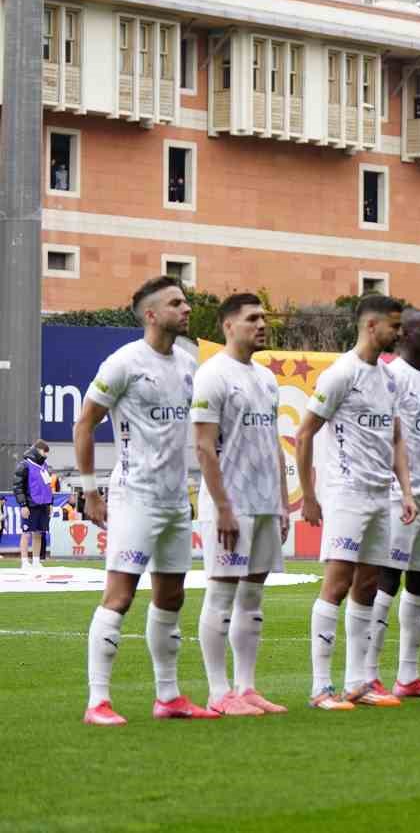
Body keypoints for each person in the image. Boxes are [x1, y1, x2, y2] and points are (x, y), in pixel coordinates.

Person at [77, 277, 215, 726]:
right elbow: (85, 424)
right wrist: (90, 490)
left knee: (172, 597)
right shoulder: (124, 363)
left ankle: (168, 696)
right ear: (152, 314)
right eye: (177, 303)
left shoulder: (189, 364)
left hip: (176, 499)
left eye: (186, 301)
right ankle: (98, 701)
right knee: (120, 596)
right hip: (135, 496)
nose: (187, 308)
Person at [297, 293, 417, 711]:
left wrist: (405, 490)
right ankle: (320, 687)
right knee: (337, 584)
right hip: (346, 494)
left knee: (367, 585)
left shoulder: (388, 378)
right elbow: (305, 433)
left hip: (380, 496)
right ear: (371, 325)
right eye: (394, 326)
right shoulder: (340, 374)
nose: (399, 332)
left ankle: (357, 683)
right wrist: (309, 495)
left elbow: (396, 437)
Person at [190, 293, 290, 716]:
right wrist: (223, 507)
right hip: (229, 505)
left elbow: (273, 443)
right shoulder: (212, 375)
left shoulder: (266, 378)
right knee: (221, 594)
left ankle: (245, 687)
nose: (261, 324)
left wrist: (282, 501)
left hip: (264, 503)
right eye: (252, 318)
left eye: (263, 317)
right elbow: (203, 446)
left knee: (252, 597)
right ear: (228, 325)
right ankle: (218, 692)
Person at [366, 308, 420, 699]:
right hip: (399, 496)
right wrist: (402, 490)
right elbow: (387, 439)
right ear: (404, 336)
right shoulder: (391, 378)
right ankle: (368, 674)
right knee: (387, 578)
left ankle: (408, 676)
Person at [12, 440, 53, 571]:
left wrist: (50, 503)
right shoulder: (24, 465)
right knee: (26, 533)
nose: (46, 455)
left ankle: (36, 561)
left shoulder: (44, 466)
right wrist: (23, 505)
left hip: (43, 505)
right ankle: (24, 562)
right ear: (37, 450)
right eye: (44, 452)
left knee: (39, 533)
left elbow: (48, 486)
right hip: (30, 505)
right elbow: (18, 487)